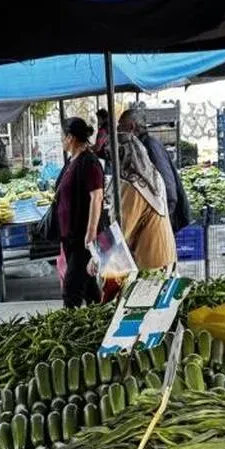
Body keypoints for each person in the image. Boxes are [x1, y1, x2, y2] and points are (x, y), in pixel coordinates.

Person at [52, 118, 105, 308]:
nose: (62, 140)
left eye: (63, 136)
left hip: (83, 237)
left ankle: (68, 330)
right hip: (70, 236)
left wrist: (91, 233)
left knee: (71, 290)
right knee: (88, 285)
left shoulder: (89, 162)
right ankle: (101, 315)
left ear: (71, 137)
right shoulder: (71, 161)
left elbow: (96, 197)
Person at [119, 107, 190, 232]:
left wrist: (161, 220)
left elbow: (169, 189)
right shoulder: (139, 146)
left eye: (121, 126)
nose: (118, 130)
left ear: (131, 126)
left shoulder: (150, 146)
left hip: (162, 221)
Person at [115, 132, 176, 271]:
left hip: (151, 256)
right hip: (166, 251)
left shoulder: (133, 185)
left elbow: (123, 229)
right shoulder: (153, 175)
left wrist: (100, 255)